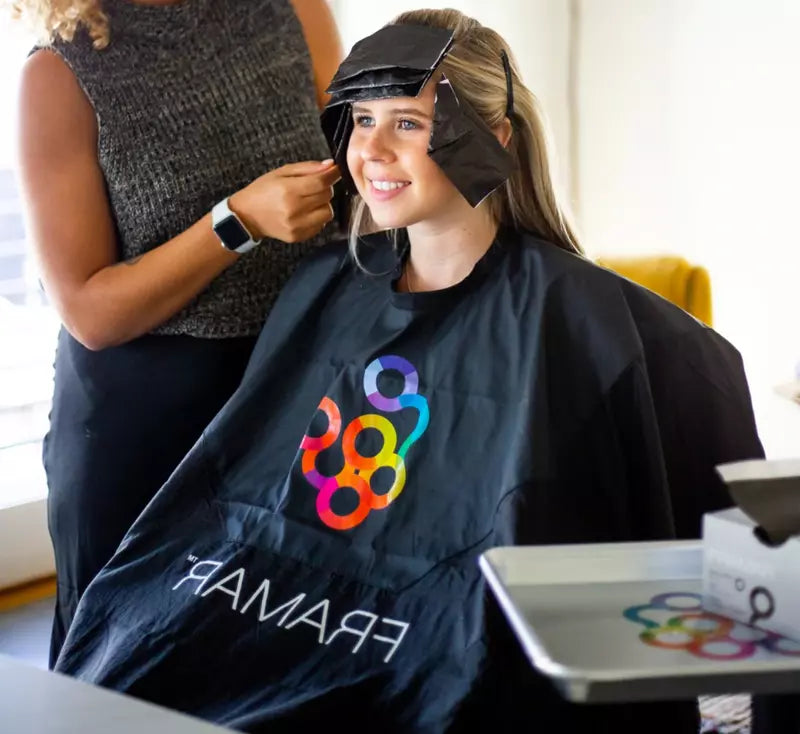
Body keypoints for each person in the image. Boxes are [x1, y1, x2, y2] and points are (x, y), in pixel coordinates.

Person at [53, 9, 764, 733]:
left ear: (492, 138)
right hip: (284, 612)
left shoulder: (578, 316)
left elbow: (735, 522)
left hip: (443, 652)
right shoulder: (324, 288)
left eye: (409, 123)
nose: (373, 150)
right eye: (363, 119)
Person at [12, 0, 343, 668]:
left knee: (290, 657)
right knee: (129, 670)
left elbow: (354, 171)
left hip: (296, 394)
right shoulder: (58, 71)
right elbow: (88, 310)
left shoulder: (294, 10)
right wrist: (238, 221)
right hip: (146, 424)